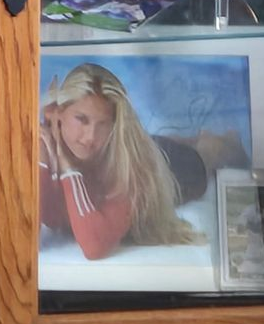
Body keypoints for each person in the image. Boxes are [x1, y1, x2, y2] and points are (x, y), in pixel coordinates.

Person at [38, 62, 224, 260]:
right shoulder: (43, 145)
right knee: (155, 140)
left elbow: (94, 246)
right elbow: (24, 235)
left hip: (169, 166)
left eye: (103, 124)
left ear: (115, 126)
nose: (90, 136)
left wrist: (68, 167)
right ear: (59, 113)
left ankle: (228, 140)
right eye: (81, 119)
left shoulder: (131, 167)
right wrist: (45, 154)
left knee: (208, 153)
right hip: (121, 147)